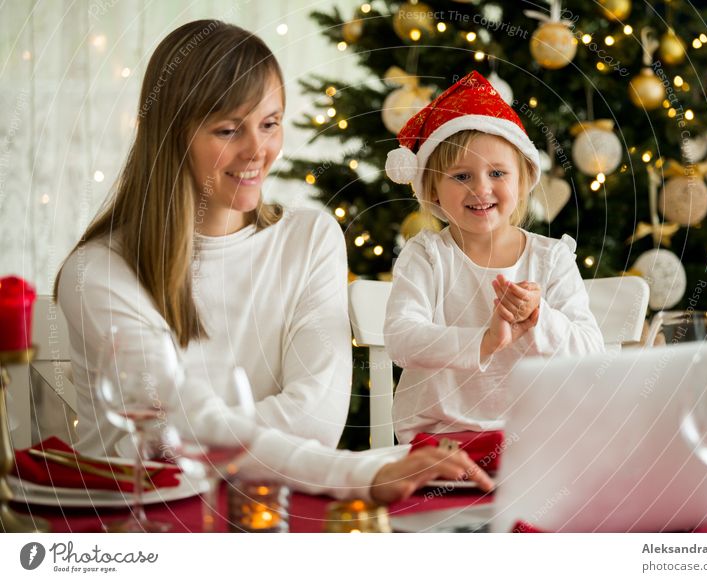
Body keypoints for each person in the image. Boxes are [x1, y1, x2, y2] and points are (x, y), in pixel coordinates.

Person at [55, 20, 491, 503]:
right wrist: (358, 473)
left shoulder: (308, 238)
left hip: (268, 510)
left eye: (270, 123)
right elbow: (167, 434)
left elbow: (318, 421)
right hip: (137, 528)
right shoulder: (97, 272)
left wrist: (212, 434)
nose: (258, 151)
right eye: (227, 129)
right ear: (169, 135)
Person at [383, 71, 605, 443]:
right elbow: (402, 338)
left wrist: (539, 317)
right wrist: (484, 342)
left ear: (521, 183)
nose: (481, 188)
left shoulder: (551, 259)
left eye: (498, 172)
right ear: (433, 191)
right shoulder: (427, 256)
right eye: (461, 176)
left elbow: (589, 350)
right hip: (440, 437)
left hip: (538, 438)